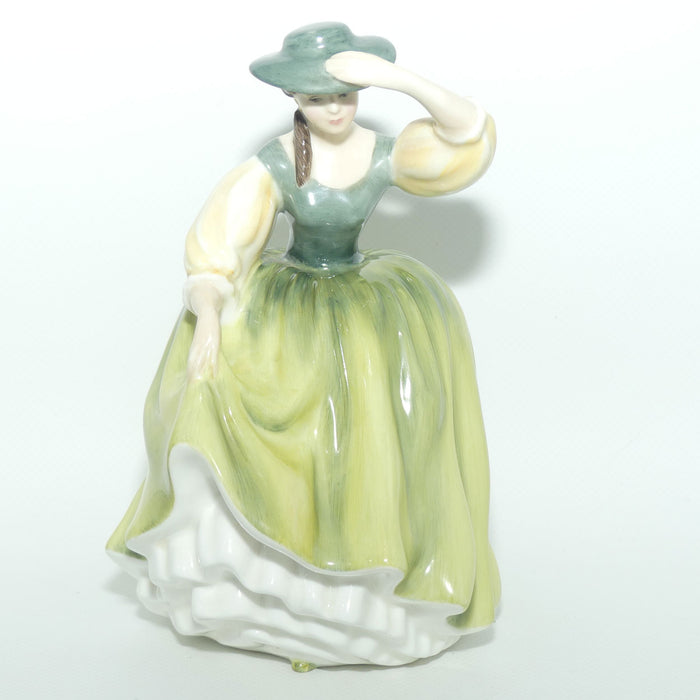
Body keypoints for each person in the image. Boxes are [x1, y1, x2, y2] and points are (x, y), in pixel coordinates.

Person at [107, 22, 500, 670]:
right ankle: (271, 582)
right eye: (320, 98)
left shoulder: (384, 151)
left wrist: (396, 79)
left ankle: (368, 588)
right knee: (241, 403)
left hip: (363, 297)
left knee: (372, 424)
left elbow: (466, 137)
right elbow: (217, 250)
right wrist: (210, 315)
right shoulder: (276, 162)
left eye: (345, 95)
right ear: (295, 100)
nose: (335, 109)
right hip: (291, 298)